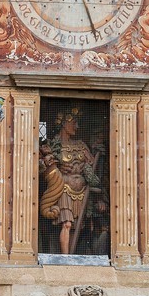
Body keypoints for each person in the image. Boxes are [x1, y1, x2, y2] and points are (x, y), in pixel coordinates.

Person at [38, 109, 100, 255]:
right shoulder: (54, 146)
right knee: (66, 224)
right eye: (74, 123)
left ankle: (71, 255)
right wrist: (58, 166)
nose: (77, 127)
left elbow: (91, 164)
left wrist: (91, 159)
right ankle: (65, 256)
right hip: (64, 188)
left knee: (76, 226)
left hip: (81, 191)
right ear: (64, 124)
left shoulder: (80, 144)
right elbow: (46, 165)